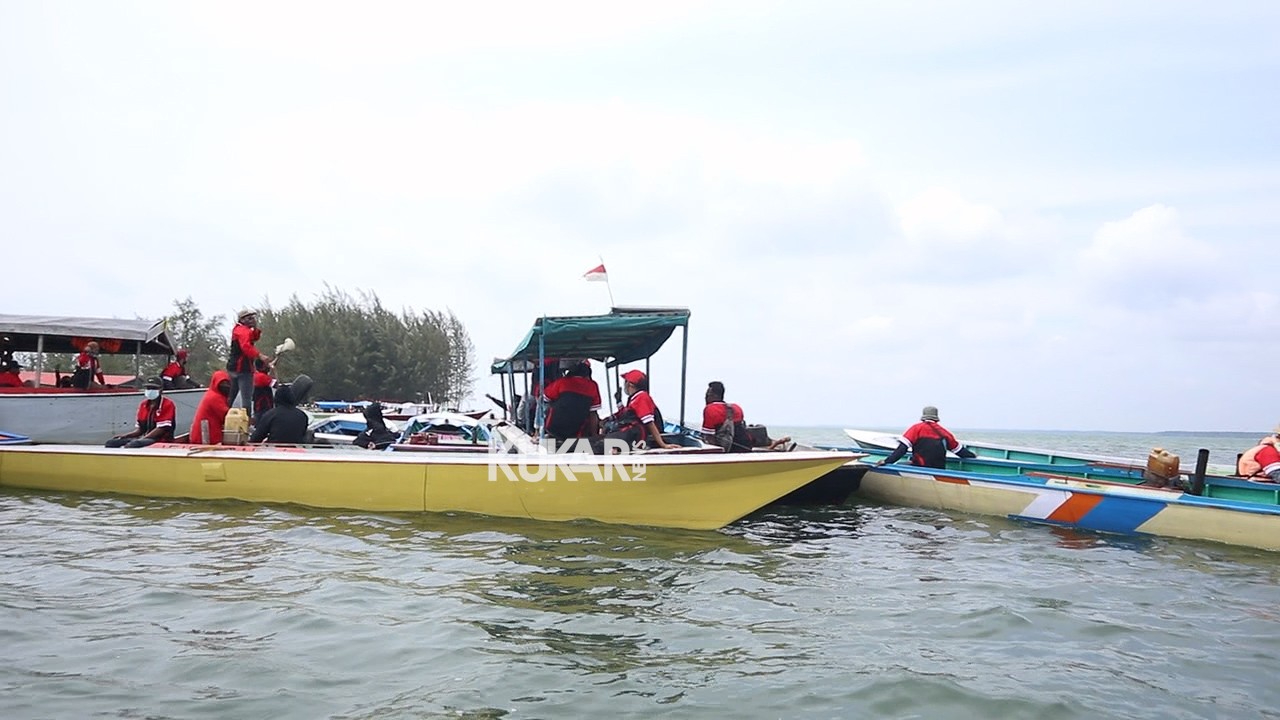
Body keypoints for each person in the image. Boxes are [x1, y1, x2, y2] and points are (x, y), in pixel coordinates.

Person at [600, 369, 678, 451]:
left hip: (638, 437)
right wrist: (618, 402)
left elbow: (649, 423)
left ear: (630, 384)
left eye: (625, 382)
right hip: (631, 434)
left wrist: (663, 445)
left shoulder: (642, 398)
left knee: (600, 444)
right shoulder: (635, 398)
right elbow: (626, 415)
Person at [877, 405, 976, 469]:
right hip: (939, 469)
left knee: (900, 465)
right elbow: (960, 452)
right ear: (936, 418)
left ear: (923, 416)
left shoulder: (916, 428)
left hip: (920, 467)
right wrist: (973, 456)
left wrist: (886, 461)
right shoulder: (945, 433)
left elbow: (901, 449)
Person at [542, 359, 602, 445]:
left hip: (553, 428)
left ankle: (538, 431)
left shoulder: (562, 382)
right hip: (575, 431)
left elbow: (545, 397)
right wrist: (594, 435)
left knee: (545, 402)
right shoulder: (593, 386)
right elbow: (593, 413)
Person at [226, 308, 272, 420]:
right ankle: (245, 423)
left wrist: (255, 328)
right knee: (246, 399)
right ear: (242, 319)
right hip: (243, 369)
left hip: (233, 368)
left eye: (253, 317)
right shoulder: (243, 331)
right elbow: (246, 347)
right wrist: (260, 356)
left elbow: (254, 337)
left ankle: (223, 418)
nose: (252, 319)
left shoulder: (239, 330)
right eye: (249, 318)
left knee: (230, 397)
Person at [105, 377, 176, 448]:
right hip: (145, 438)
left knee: (132, 445)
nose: (150, 390)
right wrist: (125, 436)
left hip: (159, 440)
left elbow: (161, 428)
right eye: (148, 388)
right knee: (111, 443)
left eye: (153, 388)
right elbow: (140, 430)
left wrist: (143, 439)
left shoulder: (167, 404)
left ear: (161, 390)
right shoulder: (143, 405)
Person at [249, 374, 312, 444]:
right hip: (297, 452)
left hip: (274, 451)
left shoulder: (271, 414)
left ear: (276, 399)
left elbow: (256, 438)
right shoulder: (303, 416)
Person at [700, 380, 752, 453]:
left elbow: (708, 437)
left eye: (707, 395)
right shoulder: (737, 407)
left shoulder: (710, 409)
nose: (705, 398)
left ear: (713, 395)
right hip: (746, 446)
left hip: (730, 449)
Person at [189, 370, 233, 444]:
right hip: (203, 438)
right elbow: (227, 416)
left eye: (227, 383)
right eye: (222, 383)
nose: (226, 386)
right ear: (216, 383)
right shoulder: (214, 397)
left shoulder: (214, 395)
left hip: (205, 435)